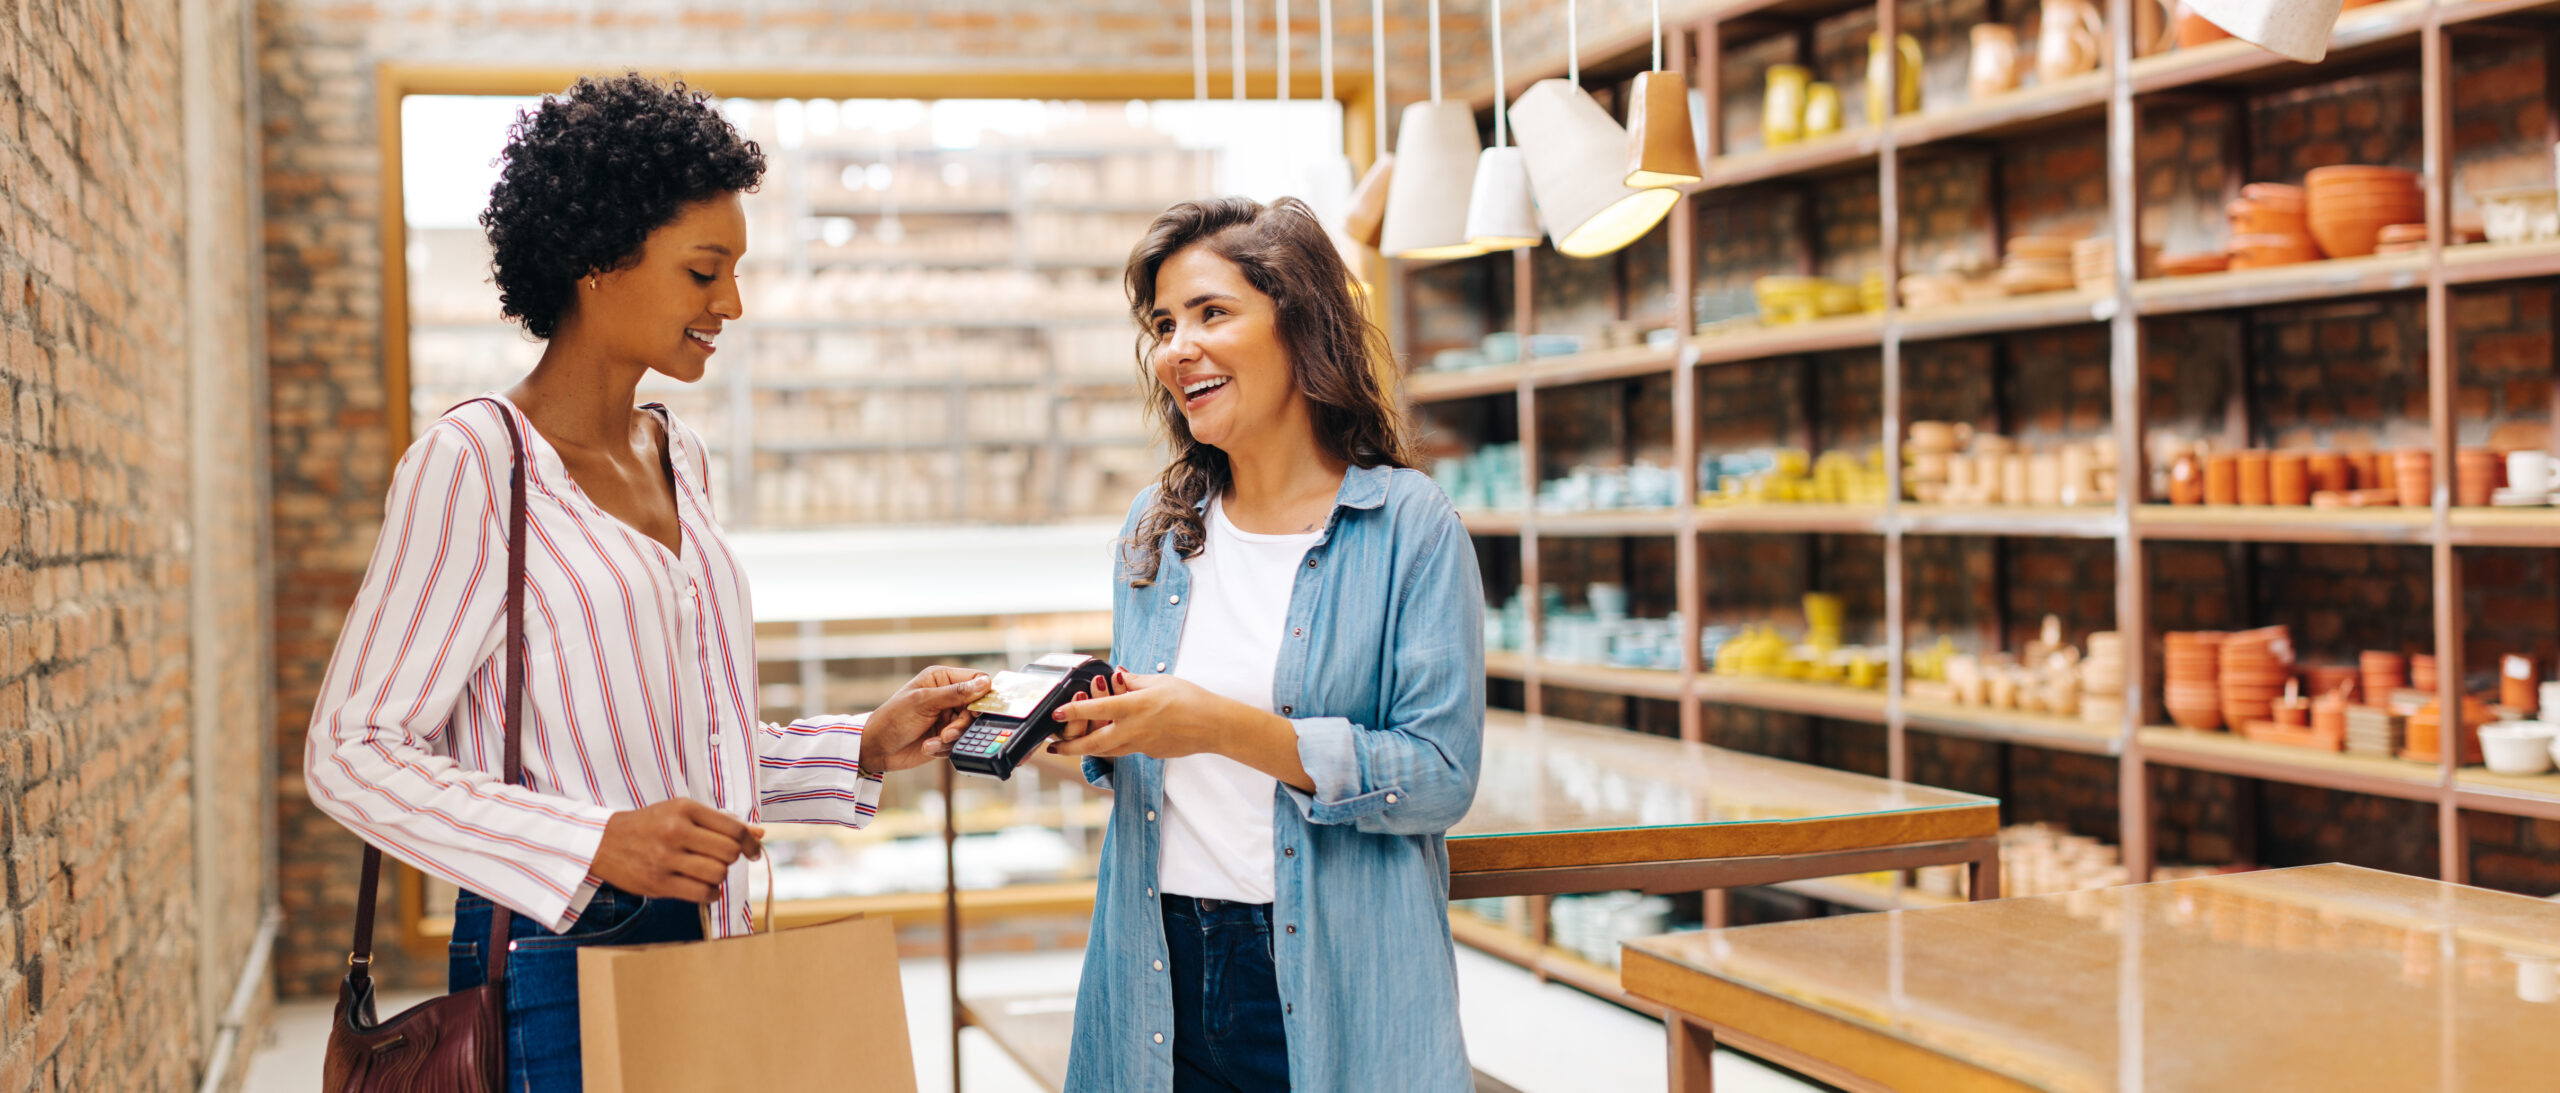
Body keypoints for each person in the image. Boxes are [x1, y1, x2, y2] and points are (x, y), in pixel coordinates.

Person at [302, 74, 991, 1091]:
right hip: (554, 965)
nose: (732, 303)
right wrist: (596, 841)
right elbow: (349, 751)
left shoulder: (680, 455)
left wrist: (861, 744)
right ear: (596, 261)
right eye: (703, 271)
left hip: (713, 930)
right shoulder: (476, 466)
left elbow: (684, 747)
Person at [1049, 196, 1486, 1093]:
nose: (1178, 347)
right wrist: (1082, 727)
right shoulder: (1157, 528)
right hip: (1155, 954)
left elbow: (1439, 774)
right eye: (1164, 324)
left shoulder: (1410, 525)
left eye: (1212, 312)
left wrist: (1216, 724)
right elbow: (1155, 752)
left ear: (1301, 325)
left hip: (1322, 962)